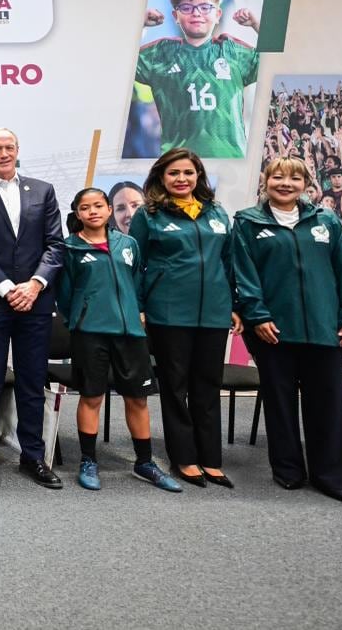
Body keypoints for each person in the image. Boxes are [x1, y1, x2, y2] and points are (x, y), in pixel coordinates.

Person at [232, 156, 342, 502]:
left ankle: (331, 476)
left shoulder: (327, 221)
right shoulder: (248, 223)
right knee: (279, 403)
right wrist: (257, 316)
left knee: (329, 404)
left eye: (294, 178)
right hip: (272, 331)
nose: (285, 184)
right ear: (266, 181)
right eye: (278, 177)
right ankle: (289, 471)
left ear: (306, 183)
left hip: (324, 329)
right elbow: (243, 276)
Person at [129, 148, 241, 488]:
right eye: (174, 173)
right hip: (168, 311)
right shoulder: (149, 215)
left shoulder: (217, 213)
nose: (181, 179)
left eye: (188, 173)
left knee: (207, 386)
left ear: (198, 177)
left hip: (214, 312)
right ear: (161, 177)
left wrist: (235, 303)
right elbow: (133, 263)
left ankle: (211, 459)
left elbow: (230, 261)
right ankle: (185, 458)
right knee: (175, 388)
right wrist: (138, 306)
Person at [0, 128, 65, 489]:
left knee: (32, 381)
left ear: (18, 150)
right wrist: (7, 289)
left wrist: (35, 285)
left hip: (35, 301)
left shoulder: (43, 191)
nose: (3, 153)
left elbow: (55, 245)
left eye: (9, 147)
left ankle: (33, 456)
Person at [58, 188, 182, 492]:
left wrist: (136, 310)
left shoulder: (128, 244)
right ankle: (88, 461)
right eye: (85, 208)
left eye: (98, 206)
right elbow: (64, 294)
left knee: (138, 399)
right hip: (90, 333)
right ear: (77, 214)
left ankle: (144, 462)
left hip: (130, 333)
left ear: (108, 210)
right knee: (91, 397)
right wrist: (79, 318)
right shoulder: (70, 248)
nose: (93, 212)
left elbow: (137, 281)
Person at [135, 0, 260, 158]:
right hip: (179, 162)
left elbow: (278, 61)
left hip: (231, 160)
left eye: (205, 7)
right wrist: (141, 25)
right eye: (186, 8)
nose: (196, 13)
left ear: (218, 15)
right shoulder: (161, 54)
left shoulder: (232, 51)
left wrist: (256, 25)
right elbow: (118, 64)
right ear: (175, 16)